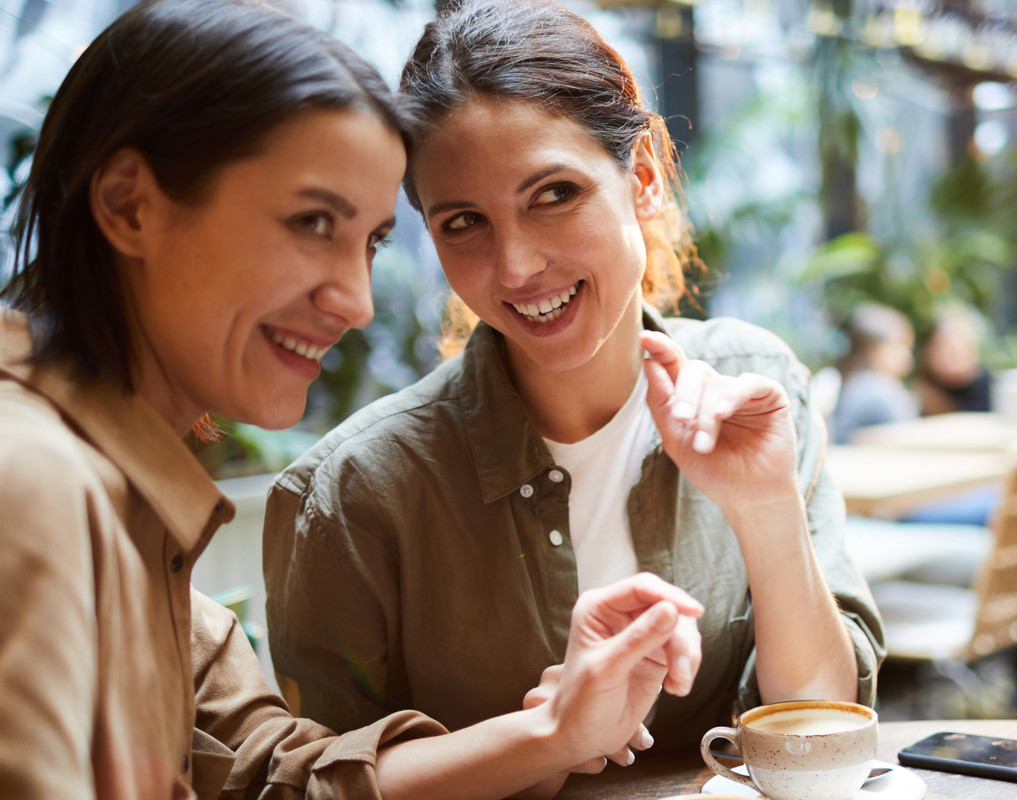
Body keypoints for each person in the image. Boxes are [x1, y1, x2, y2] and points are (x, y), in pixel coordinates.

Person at [0, 1, 705, 797]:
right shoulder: (33, 481)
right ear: (131, 205)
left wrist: (555, 731)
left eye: (369, 241)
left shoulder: (125, 504)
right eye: (311, 222)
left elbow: (278, 771)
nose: (356, 301)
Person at [263, 2, 884, 794]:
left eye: (554, 194)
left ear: (645, 177)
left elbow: (819, 738)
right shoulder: (357, 492)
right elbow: (318, 786)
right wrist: (546, 739)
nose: (517, 265)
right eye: (463, 223)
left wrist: (764, 511)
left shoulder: (753, 385)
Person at [830, 302, 919, 444]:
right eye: (902, 345)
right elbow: (911, 440)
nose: (908, 356)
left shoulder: (856, 383)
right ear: (874, 349)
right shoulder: (878, 390)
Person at [914, 302, 993, 416]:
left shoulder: (991, 389)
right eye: (942, 348)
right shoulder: (920, 391)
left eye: (957, 349)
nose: (950, 358)